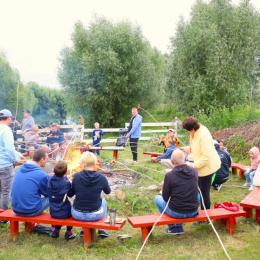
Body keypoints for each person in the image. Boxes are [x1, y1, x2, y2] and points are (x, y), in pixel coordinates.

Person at [181, 117, 221, 212]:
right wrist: (186, 149)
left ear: (192, 129)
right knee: (199, 189)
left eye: (187, 130)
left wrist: (193, 165)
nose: (187, 132)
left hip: (207, 168)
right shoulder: (196, 132)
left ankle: (205, 217)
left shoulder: (204, 135)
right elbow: (195, 145)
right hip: (200, 167)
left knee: (204, 193)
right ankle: (201, 212)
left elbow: (206, 157)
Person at [154, 149, 199, 235]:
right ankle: (177, 227)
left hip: (177, 212)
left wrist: (167, 185)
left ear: (172, 162)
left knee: (157, 198)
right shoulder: (194, 172)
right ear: (185, 159)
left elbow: (166, 198)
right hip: (193, 210)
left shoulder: (170, 175)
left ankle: (173, 227)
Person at [71, 151, 111, 238]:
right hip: (95, 215)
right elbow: (108, 191)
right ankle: (102, 229)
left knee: (79, 199)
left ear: (83, 164)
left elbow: (71, 194)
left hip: (77, 214)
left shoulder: (76, 176)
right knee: (103, 199)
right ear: (95, 163)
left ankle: (83, 230)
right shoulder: (101, 177)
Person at [0, 109, 24, 224]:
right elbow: (9, 149)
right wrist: (16, 159)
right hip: (4, 166)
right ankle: (3, 218)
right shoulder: (6, 130)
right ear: (9, 118)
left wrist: (19, 155)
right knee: (6, 192)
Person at [11, 148, 50, 216]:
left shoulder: (20, 169)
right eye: (47, 158)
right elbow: (47, 193)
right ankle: (59, 215)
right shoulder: (41, 175)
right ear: (42, 160)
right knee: (54, 195)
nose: (48, 159)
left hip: (16, 209)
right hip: (31, 210)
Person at [47, 160, 77, 240]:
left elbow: (57, 180)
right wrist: (72, 184)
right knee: (72, 211)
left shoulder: (49, 180)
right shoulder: (66, 183)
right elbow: (70, 194)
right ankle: (68, 232)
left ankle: (56, 231)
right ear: (66, 172)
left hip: (53, 211)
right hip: (64, 212)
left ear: (53, 171)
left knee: (59, 210)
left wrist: (65, 178)